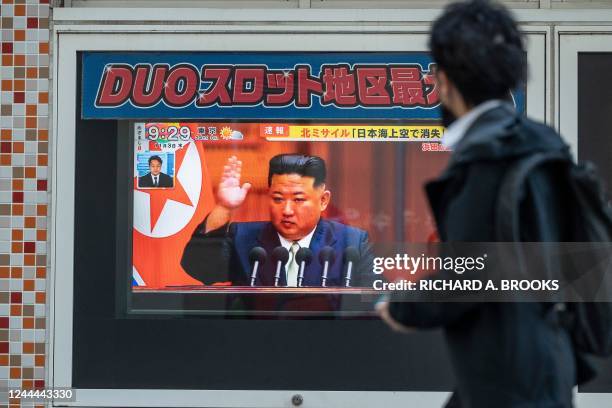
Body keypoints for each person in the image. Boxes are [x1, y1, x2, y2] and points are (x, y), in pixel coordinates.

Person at [377, 1, 577, 407]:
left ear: (444, 79)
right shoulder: (544, 142)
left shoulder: (485, 158)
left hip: (506, 379)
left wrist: (401, 307)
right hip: (547, 361)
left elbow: (467, 275)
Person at [181, 154, 372, 287]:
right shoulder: (243, 237)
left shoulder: (352, 242)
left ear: (323, 200)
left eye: (298, 200)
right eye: (278, 199)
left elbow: (374, 299)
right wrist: (224, 207)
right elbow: (199, 268)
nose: (287, 210)